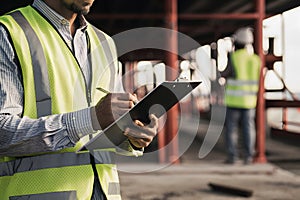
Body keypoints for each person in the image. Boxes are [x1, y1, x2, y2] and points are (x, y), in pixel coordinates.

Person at [0, 0, 158, 199]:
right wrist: (90, 119)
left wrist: (131, 135)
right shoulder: (9, 32)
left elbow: (108, 125)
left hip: (104, 193)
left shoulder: (105, 43)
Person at [221, 27, 261, 165]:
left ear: (236, 43)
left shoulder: (234, 58)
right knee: (248, 129)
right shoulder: (256, 60)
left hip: (234, 101)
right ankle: (248, 157)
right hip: (250, 101)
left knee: (232, 130)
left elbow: (225, 74)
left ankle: (232, 157)